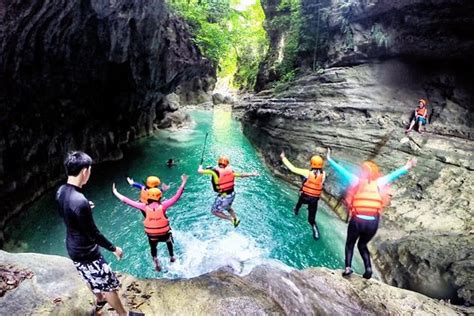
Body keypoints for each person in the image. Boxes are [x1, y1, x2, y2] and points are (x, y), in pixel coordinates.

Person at [326, 148, 416, 279]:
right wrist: (407, 166)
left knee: (350, 244)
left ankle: (348, 268)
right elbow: (395, 174)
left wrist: (329, 159)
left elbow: (341, 170)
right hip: (372, 223)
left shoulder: (356, 180)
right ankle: (368, 268)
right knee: (362, 245)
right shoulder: (380, 182)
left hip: (357, 220)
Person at [56, 151, 127, 315]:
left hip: (72, 248)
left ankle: (99, 300)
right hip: (87, 251)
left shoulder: (61, 191)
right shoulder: (79, 201)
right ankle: (124, 314)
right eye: (90, 170)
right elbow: (94, 234)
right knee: (108, 285)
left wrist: (84, 208)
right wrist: (114, 248)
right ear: (84, 171)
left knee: (88, 276)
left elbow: (66, 210)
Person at [113, 175, 187, 272]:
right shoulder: (164, 206)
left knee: (153, 246)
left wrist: (115, 192)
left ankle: (155, 260)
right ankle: (172, 257)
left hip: (152, 236)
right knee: (169, 240)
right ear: (160, 197)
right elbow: (177, 196)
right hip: (164, 234)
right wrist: (183, 182)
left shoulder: (143, 206)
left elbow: (127, 201)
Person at [198, 156, 259, 228]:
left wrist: (200, 165)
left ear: (218, 163)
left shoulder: (214, 172)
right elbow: (242, 175)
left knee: (214, 211)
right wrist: (252, 174)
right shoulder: (230, 172)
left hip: (224, 196)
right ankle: (236, 219)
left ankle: (230, 219)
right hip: (232, 194)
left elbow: (200, 171)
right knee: (228, 208)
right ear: (227, 165)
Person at [280, 151, 326, 240]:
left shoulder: (307, 172)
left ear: (311, 163)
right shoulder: (323, 175)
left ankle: (296, 210)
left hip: (305, 196)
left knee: (299, 201)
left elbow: (293, 169)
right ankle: (315, 231)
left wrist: (283, 158)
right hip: (314, 200)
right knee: (311, 220)